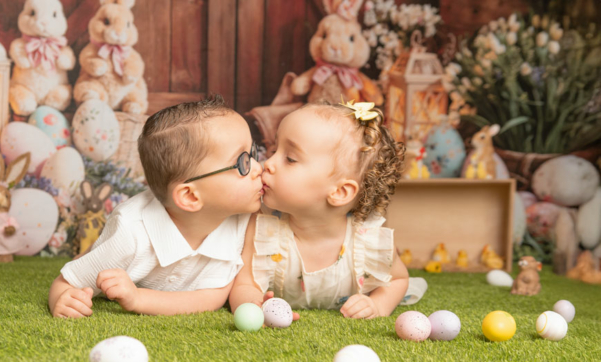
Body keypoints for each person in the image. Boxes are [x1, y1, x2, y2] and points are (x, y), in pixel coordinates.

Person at [49, 95, 264, 318]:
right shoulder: (130, 235)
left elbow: (211, 297)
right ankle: (88, 251)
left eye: (253, 153)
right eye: (243, 163)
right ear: (190, 196)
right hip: (121, 240)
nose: (259, 167)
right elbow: (66, 282)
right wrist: (63, 299)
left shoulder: (239, 218)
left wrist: (138, 298)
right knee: (92, 259)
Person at [230, 101, 423, 319]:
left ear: (340, 192)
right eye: (274, 150)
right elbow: (244, 284)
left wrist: (377, 305)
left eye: (290, 159)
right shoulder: (263, 228)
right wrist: (252, 304)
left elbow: (399, 280)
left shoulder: (369, 240)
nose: (267, 163)